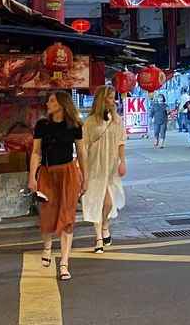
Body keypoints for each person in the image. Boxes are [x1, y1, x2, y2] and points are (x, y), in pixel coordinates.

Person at [28, 91, 88, 282]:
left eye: (52, 100)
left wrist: (85, 178)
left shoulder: (75, 125)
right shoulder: (42, 125)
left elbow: (81, 152)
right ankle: (47, 247)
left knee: (67, 216)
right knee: (47, 213)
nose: (48, 103)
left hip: (68, 172)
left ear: (62, 104)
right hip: (47, 173)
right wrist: (32, 177)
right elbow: (36, 152)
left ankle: (64, 263)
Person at [81, 85, 126, 254]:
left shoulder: (117, 119)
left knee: (108, 202)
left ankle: (105, 224)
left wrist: (123, 162)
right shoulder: (90, 121)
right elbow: (83, 146)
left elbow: (121, 142)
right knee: (97, 200)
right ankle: (98, 237)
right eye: (109, 97)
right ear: (102, 99)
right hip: (95, 166)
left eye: (113, 97)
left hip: (111, 166)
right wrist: (82, 168)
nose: (113, 101)